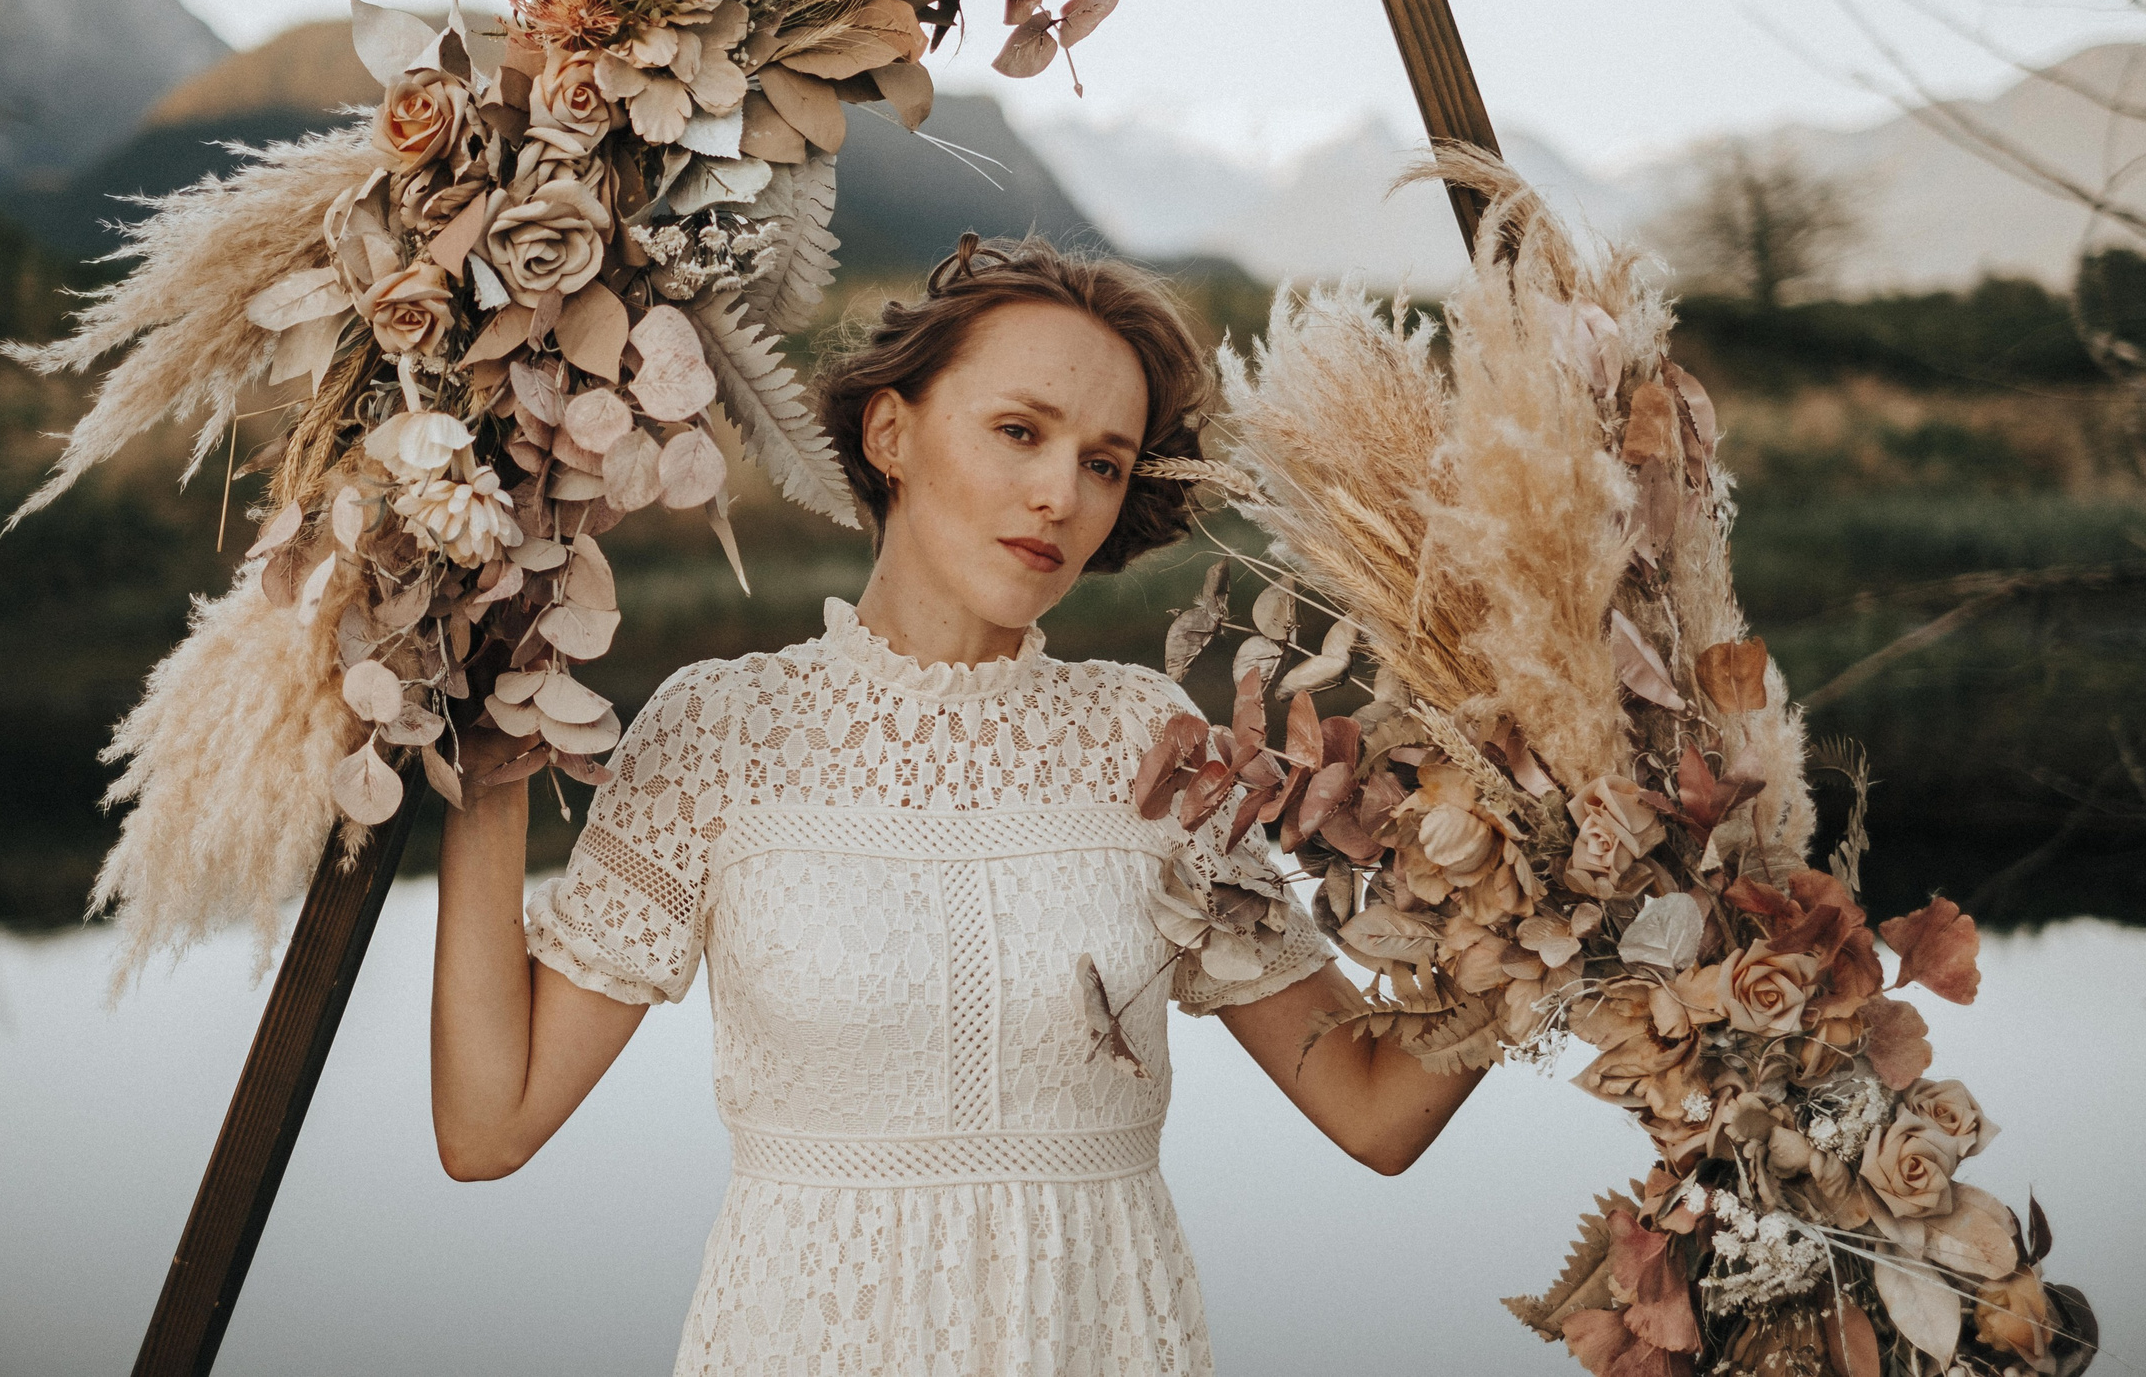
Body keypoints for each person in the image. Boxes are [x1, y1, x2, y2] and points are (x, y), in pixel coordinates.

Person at [430, 237, 1487, 1376]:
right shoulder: (722, 732)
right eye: (1020, 431)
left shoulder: (1144, 738)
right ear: (891, 435)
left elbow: (1376, 1112)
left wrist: (1542, 888)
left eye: (1104, 464)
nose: (1058, 495)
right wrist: (480, 721)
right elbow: (490, 1127)